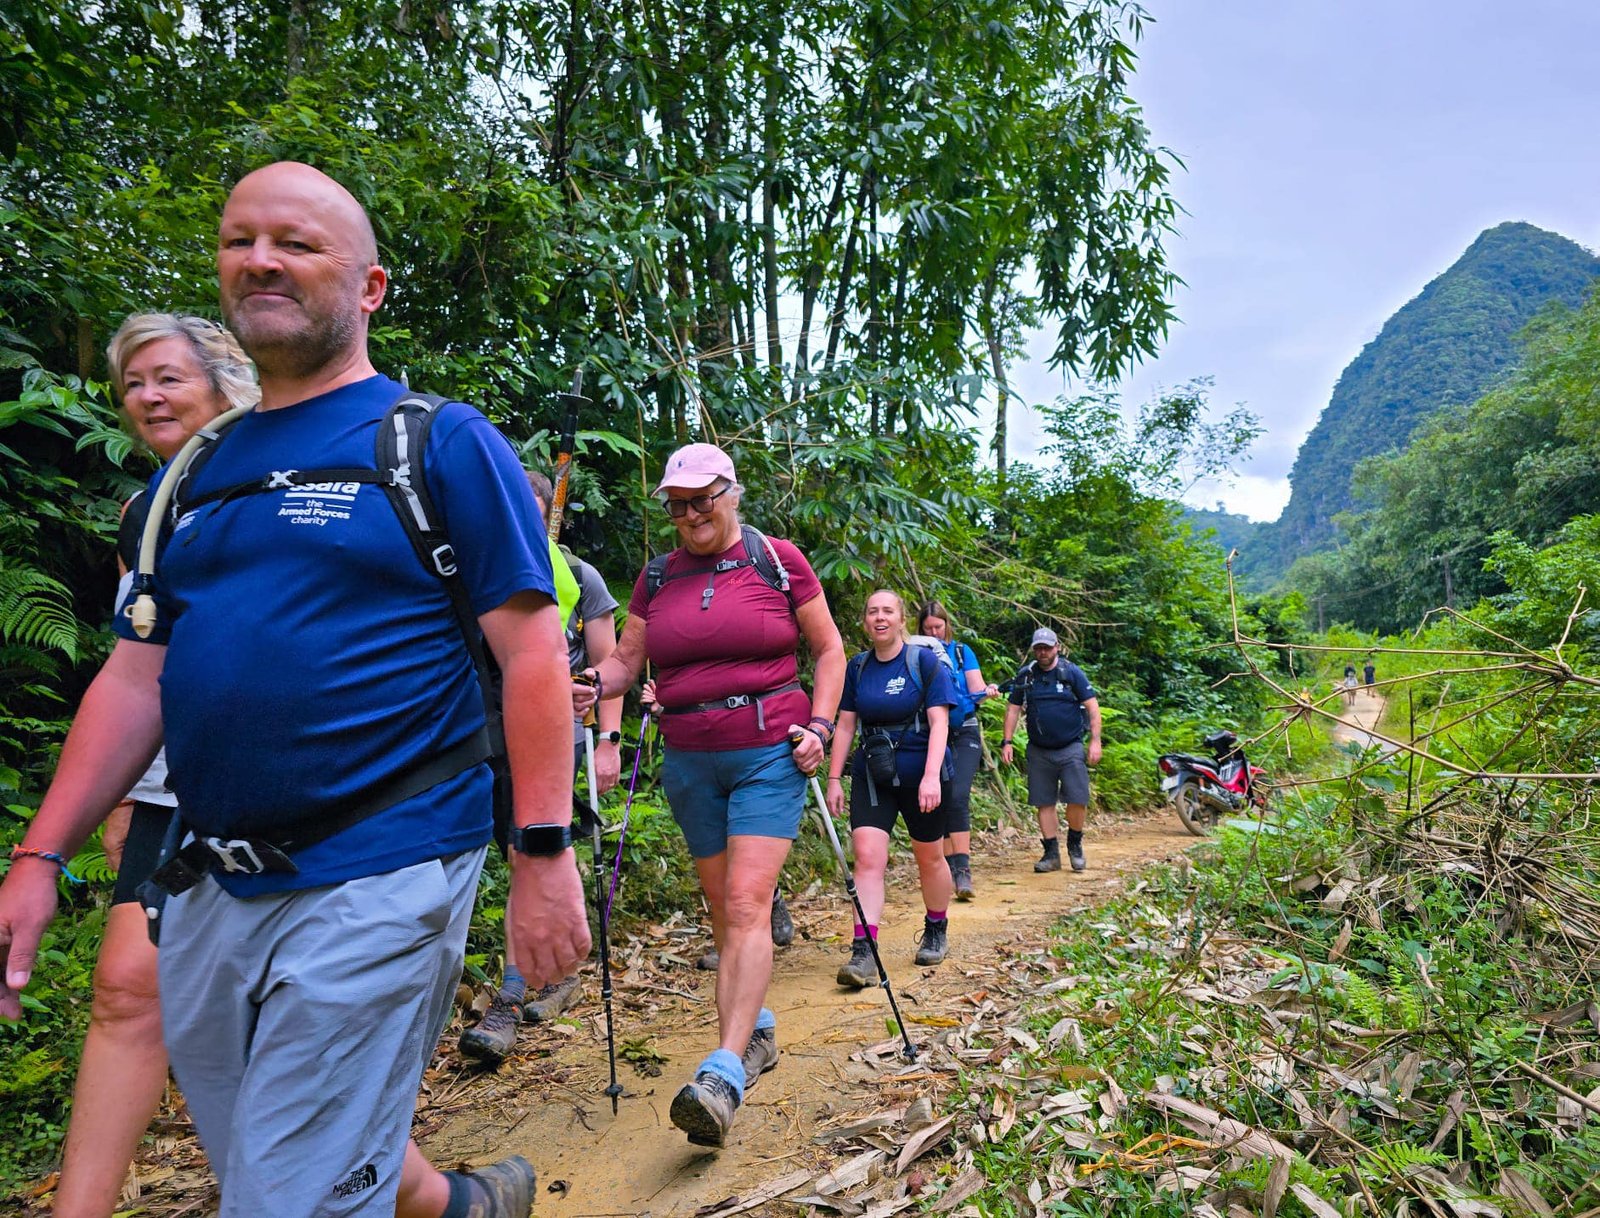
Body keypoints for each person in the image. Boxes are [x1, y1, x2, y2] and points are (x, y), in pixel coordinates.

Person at [0, 162, 590, 1218]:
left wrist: (543, 854)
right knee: (269, 1172)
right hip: (213, 885)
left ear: (368, 288)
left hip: (384, 863)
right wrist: (40, 854)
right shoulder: (193, 472)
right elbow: (137, 678)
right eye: (241, 239)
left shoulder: (436, 441)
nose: (261, 259)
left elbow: (534, 656)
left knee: (286, 1200)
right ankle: (461, 1206)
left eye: (297, 242)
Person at [573, 442, 843, 1147]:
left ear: (731, 494)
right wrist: (591, 686)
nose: (690, 513)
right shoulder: (657, 576)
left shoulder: (775, 559)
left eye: (702, 499)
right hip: (691, 760)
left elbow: (830, 651)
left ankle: (722, 1074)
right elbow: (627, 660)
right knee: (724, 910)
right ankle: (756, 1033)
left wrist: (818, 724)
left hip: (767, 752)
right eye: (677, 503)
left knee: (751, 904)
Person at [52, 313, 258, 1218]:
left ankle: (427, 1198)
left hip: (296, 783)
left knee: (268, 1018)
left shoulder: (284, 471)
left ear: (224, 381)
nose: (148, 397)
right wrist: (122, 787)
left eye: (167, 377)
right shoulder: (148, 507)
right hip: (176, 784)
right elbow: (141, 667)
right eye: (134, 384)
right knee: (128, 988)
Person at [459, 470, 624, 1065]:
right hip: (479, 728)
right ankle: (550, 969)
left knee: (534, 847)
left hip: (553, 729)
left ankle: (514, 991)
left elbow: (607, 665)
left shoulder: (577, 577)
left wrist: (608, 739)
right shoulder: (467, 566)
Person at [828, 591, 958, 986]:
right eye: (872, 612)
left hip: (923, 773)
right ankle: (863, 951)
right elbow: (846, 724)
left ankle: (936, 928)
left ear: (902, 620)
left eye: (887, 611)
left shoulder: (925, 663)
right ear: (865, 622)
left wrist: (932, 775)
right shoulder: (858, 668)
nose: (879, 618)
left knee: (930, 857)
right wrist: (834, 778)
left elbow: (939, 723)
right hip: (873, 773)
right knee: (867, 858)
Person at [916, 600, 998, 901]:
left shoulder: (962, 652)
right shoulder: (918, 655)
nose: (935, 633)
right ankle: (949, 870)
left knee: (959, 794)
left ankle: (963, 869)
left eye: (939, 627)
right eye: (928, 629)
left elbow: (976, 691)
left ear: (947, 624)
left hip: (963, 729)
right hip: (931, 734)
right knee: (941, 798)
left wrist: (986, 692)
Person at [1002, 628, 1102, 873]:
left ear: (1057, 646)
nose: (1043, 652)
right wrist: (1007, 741)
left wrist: (1095, 740)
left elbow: (1092, 706)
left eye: (1047, 647)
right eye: (1038, 648)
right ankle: (1051, 853)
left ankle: (1075, 843)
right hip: (1039, 749)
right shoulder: (1027, 676)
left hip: (1070, 746)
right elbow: (1013, 709)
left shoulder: (1071, 673)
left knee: (1077, 798)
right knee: (1043, 802)